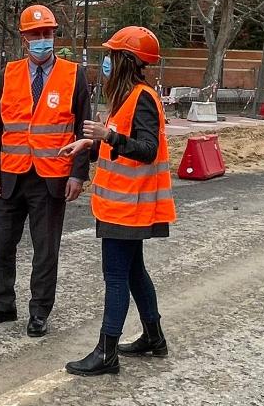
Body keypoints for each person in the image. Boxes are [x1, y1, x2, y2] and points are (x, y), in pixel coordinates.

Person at [58, 26, 176, 376]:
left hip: (129, 207)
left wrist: (107, 134)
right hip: (122, 205)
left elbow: (147, 149)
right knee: (134, 272)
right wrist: (90, 144)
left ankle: (106, 352)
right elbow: (120, 145)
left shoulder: (141, 98)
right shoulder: (127, 97)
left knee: (116, 277)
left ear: (125, 60)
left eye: (111, 55)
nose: (105, 61)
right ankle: (154, 338)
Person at [0, 4, 91, 337]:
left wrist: (77, 174)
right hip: (11, 176)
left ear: (53, 35)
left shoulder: (73, 75)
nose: (43, 40)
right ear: (24, 38)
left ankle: (39, 311)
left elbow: (84, 130)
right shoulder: (9, 73)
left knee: (45, 248)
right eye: (36, 34)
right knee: (2, 245)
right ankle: (3, 304)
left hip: (51, 178)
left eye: (48, 34)